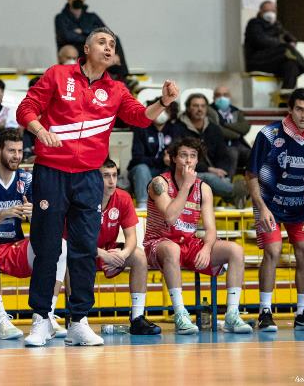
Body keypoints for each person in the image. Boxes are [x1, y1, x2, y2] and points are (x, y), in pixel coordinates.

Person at [16, 26, 177, 346]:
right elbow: (26, 109)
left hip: (89, 176)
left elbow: (141, 118)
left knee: (84, 249)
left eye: (112, 44)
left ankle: (78, 321)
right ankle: (41, 319)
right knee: (47, 247)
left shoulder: (116, 90)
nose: (108, 47)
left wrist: (163, 101)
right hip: (51, 171)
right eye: (101, 42)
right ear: (86, 49)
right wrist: (39, 130)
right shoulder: (58, 75)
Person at [0, 129, 67, 345]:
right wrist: (2, 214)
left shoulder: (26, 178)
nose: (16, 156)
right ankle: (0, 321)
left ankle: (47, 315)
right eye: (11, 151)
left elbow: (42, 219)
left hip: (12, 246)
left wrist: (34, 213)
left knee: (60, 245)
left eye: (19, 151)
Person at [246, 88, 304, 332]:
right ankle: (265, 312)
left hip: (299, 205)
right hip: (269, 203)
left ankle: (302, 312)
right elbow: (251, 175)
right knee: (273, 251)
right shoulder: (269, 134)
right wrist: (261, 207)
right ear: (290, 109)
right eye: (299, 108)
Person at [144, 137, 252, 335]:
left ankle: (232, 315)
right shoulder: (159, 183)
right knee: (172, 248)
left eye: (193, 156)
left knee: (235, 250)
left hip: (188, 243)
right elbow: (170, 216)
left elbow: (211, 229)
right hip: (158, 244)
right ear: (173, 158)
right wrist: (185, 186)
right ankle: (180, 315)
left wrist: (206, 248)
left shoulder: (204, 188)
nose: (188, 161)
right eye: (183, 155)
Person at [97, 158, 161, 335]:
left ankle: (137, 318)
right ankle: (76, 318)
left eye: (114, 175)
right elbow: (76, 240)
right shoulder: (83, 197)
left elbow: (131, 237)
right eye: (106, 176)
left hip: (111, 251)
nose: (111, 181)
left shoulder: (123, 197)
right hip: (88, 251)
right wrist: (102, 255)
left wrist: (123, 254)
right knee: (71, 259)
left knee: (139, 256)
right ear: (95, 178)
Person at [177, 93, 246, 206]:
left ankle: (232, 193)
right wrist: (209, 169)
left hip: (214, 173)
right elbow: (181, 159)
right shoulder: (179, 128)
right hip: (188, 173)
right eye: (195, 106)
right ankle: (236, 192)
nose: (200, 109)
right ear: (188, 108)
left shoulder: (214, 129)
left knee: (221, 176)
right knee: (208, 178)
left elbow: (223, 154)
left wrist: (221, 171)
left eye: (203, 106)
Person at [55, 0, 129, 80]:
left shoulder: (92, 17)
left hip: (92, 48)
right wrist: (91, 36)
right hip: (75, 49)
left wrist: (83, 31)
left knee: (115, 39)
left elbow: (106, 32)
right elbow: (67, 37)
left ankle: (123, 78)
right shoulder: (61, 18)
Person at [244, 0, 304, 89]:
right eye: (266, 11)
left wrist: (292, 41)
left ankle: (286, 96)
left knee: (291, 65)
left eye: (272, 11)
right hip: (257, 61)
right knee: (285, 49)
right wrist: (282, 43)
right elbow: (261, 41)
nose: (270, 13)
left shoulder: (277, 25)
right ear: (260, 12)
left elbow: (290, 37)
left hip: (273, 61)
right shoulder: (254, 24)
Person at [128, 100, 181, 209]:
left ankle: (171, 206)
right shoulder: (141, 128)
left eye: (166, 110)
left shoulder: (176, 130)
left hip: (165, 170)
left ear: (171, 113)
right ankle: (143, 205)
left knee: (176, 170)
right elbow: (137, 158)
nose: (162, 113)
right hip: (143, 172)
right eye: (160, 109)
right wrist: (161, 160)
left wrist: (171, 160)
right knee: (141, 169)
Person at [207, 85, 251, 177]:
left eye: (225, 95)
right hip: (220, 145)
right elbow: (217, 129)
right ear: (214, 97)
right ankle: (227, 184)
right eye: (218, 95)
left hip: (238, 144)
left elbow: (245, 127)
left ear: (229, 97)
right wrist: (237, 133)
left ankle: (254, 184)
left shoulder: (236, 111)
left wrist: (225, 124)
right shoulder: (209, 110)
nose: (222, 98)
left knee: (253, 154)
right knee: (232, 153)